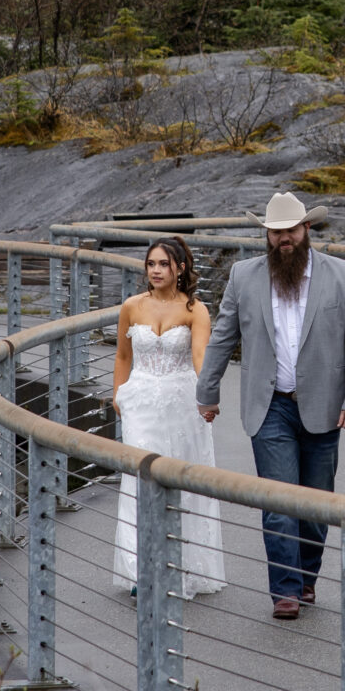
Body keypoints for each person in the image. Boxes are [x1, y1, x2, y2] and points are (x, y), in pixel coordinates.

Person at [196, 193, 345, 620]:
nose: (283, 240)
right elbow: (222, 336)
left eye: (290, 231)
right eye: (275, 233)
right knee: (278, 503)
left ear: (307, 229)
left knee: (314, 507)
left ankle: (307, 578)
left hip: (325, 407)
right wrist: (207, 391)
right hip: (268, 406)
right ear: (267, 235)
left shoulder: (343, 275)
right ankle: (286, 591)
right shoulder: (243, 276)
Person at [112, 235, 225, 598]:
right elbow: (123, 356)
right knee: (138, 481)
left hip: (181, 403)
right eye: (151, 264)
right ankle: (139, 569)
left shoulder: (196, 310)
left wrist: (207, 397)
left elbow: (199, 356)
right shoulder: (131, 306)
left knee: (179, 480)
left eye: (163, 264)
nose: (156, 271)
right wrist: (119, 395)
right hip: (140, 402)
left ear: (180, 268)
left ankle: (180, 566)